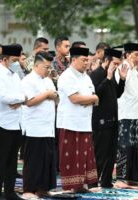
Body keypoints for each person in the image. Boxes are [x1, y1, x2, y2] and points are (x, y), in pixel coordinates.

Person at [57, 47, 98, 192]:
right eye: (83, 60)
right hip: (70, 122)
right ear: (73, 59)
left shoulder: (86, 77)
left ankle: (80, 185)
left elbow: (91, 96)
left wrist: (90, 99)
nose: (86, 63)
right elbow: (75, 98)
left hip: (85, 122)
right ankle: (70, 186)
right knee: (71, 156)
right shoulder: (67, 76)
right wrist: (92, 98)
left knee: (83, 156)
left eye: (87, 60)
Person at [21, 52, 58, 199]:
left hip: (48, 126)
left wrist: (51, 94)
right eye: (45, 67)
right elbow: (29, 102)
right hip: (34, 127)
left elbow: (55, 96)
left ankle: (43, 188)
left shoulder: (48, 81)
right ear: (36, 65)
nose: (48, 70)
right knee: (34, 161)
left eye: (50, 67)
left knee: (47, 160)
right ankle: (29, 189)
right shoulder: (28, 80)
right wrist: (47, 95)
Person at [0, 44, 25, 200]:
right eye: (14, 60)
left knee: (12, 161)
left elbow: (24, 94)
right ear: (5, 59)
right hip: (2, 123)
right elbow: (3, 97)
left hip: (16, 123)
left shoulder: (15, 74)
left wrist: (19, 99)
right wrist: (19, 98)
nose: (17, 63)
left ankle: (10, 192)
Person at [90, 48, 126, 188]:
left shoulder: (111, 74)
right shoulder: (97, 74)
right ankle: (94, 181)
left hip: (112, 120)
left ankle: (106, 181)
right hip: (100, 121)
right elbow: (97, 93)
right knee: (100, 153)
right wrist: (109, 77)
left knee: (111, 154)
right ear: (106, 61)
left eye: (118, 64)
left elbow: (117, 94)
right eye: (114, 63)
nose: (116, 67)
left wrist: (122, 79)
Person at [115, 42, 138, 187]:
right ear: (128, 55)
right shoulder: (123, 68)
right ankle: (121, 178)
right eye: (136, 55)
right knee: (125, 147)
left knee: (137, 148)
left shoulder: (135, 70)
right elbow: (119, 88)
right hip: (126, 114)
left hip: (137, 114)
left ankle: (134, 178)